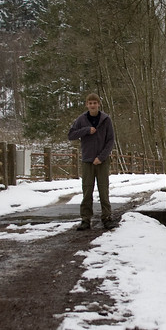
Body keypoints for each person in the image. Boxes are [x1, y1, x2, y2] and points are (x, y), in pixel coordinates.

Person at [68, 93, 116, 230]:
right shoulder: (81, 120)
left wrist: (101, 157)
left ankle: (107, 217)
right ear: (87, 104)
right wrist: (86, 130)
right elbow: (71, 135)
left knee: (103, 190)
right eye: (90, 103)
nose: (93, 105)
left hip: (102, 161)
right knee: (87, 190)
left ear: (98, 104)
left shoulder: (106, 120)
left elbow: (110, 140)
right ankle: (85, 219)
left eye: (95, 103)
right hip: (87, 160)